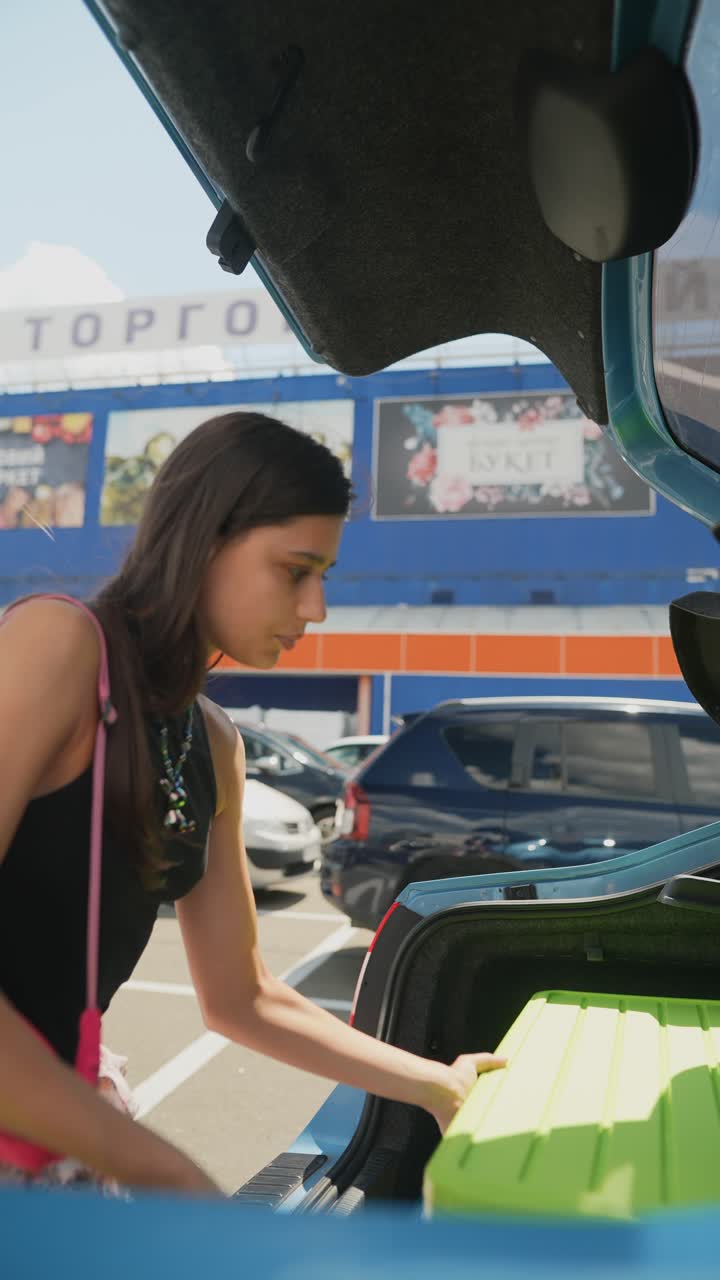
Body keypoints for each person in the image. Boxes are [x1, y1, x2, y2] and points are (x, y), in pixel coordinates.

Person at [0, 411, 504, 1195]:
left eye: (324, 576)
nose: (316, 609)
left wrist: (438, 1084)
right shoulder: (56, 645)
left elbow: (244, 997)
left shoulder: (214, 743)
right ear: (205, 538)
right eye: (295, 569)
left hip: (55, 1140)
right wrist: (154, 1163)